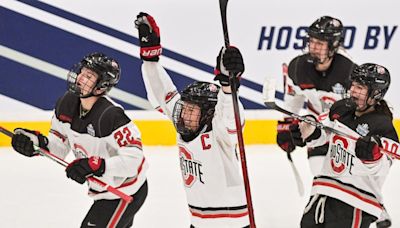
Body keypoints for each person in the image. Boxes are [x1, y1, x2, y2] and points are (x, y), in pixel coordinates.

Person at [135, 12, 249, 228]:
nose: (184, 114)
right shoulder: (185, 121)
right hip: (198, 221)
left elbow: (232, 119)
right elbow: (162, 92)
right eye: (184, 108)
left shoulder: (219, 129)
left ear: (208, 113)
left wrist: (228, 86)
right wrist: (150, 59)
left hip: (231, 222)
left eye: (191, 110)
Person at [11, 52, 148, 228]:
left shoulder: (111, 116)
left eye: (89, 76)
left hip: (124, 192)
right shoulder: (66, 104)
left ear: (101, 86)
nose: (81, 78)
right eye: (82, 72)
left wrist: (98, 165)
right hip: (105, 191)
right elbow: (59, 147)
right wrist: (37, 143)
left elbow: (133, 161)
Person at [290, 63, 398, 227]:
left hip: (357, 201)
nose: (353, 90)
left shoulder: (383, 126)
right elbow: (322, 133)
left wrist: (372, 158)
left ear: (376, 93)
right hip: (323, 190)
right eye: (353, 84)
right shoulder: (341, 107)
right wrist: (308, 131)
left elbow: (383, 166)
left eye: (360, 87)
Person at [276, 16, 358, 175]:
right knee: (319, 179)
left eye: (319, 44)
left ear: (333, 45)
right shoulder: (298, 67)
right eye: (312, 41)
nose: (313, 47)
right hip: (317, 129)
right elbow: (293, 101)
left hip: (344, 133)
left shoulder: (349, 72)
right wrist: (285, 127)